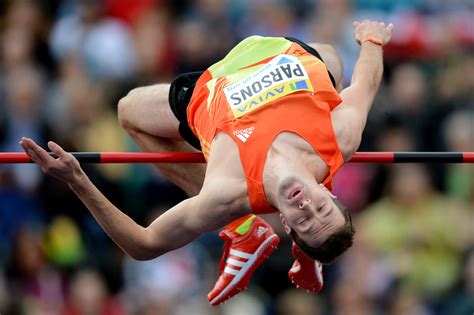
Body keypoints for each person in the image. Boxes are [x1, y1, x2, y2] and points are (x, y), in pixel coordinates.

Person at [20, 20, 394, 306]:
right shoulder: (338, 138)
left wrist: (77, 179)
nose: (306, 206)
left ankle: (244, 228)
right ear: (328, 192)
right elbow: (366, 83)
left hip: (210, 90)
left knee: (127, 111)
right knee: (331, 58)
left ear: (288, 228)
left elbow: (144, 244)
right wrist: (372, 38)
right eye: (321, 207)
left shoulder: (227, 192)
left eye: (304, 221)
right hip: (291, 54)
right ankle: (250, 232)